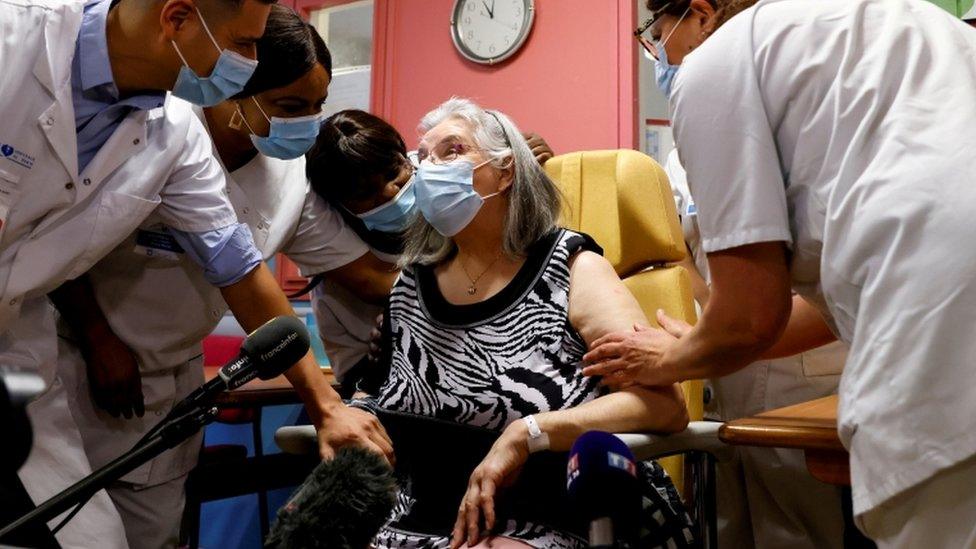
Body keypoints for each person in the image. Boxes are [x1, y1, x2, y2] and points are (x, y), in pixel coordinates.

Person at [586, 0, 976, 545]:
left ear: (699, 12)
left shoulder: (719, 60)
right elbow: (814, 301)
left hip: (938, 318)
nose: (659, 52)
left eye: (654, 31)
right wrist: (704, 341)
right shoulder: (909, 21)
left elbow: (749, 315)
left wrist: (674, 356)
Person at [39, 7, 396, 548]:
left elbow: (258, 271)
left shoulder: (288, 176)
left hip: (171, 382)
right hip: (76, 360)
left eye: (317, 107)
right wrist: (95, 336)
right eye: (290, 106)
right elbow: (55, 241)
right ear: (232, 96)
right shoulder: (156, 132)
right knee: (64, 527)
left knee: (153, 534)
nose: (307, 123)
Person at [343, 98, 695, 549]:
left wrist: (527, 433)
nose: (431, 169)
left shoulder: (571, 269)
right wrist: (352, 413)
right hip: (418, 514)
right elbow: (375, 396)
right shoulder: (411, 281)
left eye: (452, 151)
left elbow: (663, 405)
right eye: (424, 158)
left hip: (548, 512)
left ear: (505, 170)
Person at [0, 0, 275, 545]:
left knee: (92, 538)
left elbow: (234, 262)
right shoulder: (14, 37)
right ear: (175, 19)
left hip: (16, 350)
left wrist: (324, 403)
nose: (249, 62)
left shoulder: (174, 134)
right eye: (244, 43)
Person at [306, 110, 555, 394]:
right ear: (342, 207)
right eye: (367, 194)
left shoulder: (444, 187)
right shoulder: (340, 281)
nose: (390, 192)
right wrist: (390, 347)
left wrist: (528, 168)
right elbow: (355, 382)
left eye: (394, 173)